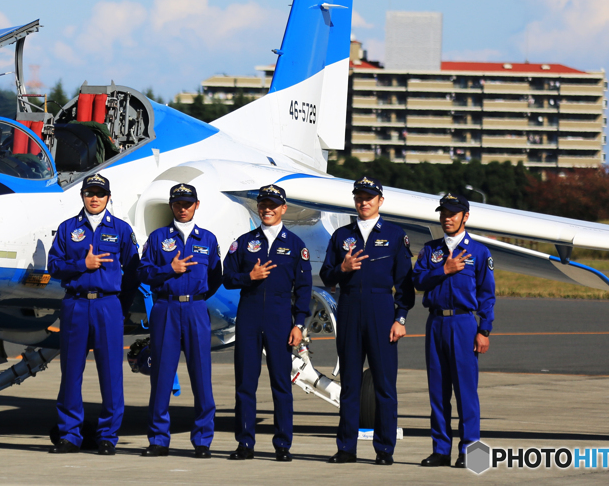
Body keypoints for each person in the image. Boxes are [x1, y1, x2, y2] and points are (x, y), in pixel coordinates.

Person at [320, 176, 414, 466]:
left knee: (384, 383)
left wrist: (400, 317)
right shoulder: (341, 236)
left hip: (381, 309)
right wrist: (342, 268)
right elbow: (326, 275)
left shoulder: (396, 235)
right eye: (359, 196)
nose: (364, 201)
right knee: (349, 382)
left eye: (369, 197)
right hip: (349, 307)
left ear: (380, 201)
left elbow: (405, 284)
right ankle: (346, 447)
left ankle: (384, 449)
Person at [47, 173, 140, 455]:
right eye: (90, 193)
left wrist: (120, 307)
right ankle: (70, 435)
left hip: (107, 305)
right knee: (71, 372)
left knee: (111, 373)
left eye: (100, 193)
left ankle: (107, 436)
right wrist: (81, 264)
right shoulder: (67, 229)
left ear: (108, 197)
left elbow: (133, 272)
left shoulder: (122, 230)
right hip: (75, 304)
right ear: (82, 196)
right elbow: (54, 266)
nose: (95, 198)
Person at [222, 184, 312, 462]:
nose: (267, 209)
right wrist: (250, 276)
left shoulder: (296, 245)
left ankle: (283, 444)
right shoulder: (243, 242)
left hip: (279, 319)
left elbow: (304, 288)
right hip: (248, 317)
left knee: (281, 384)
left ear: (283, 208)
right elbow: (226, 277)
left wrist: (298, 324)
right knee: (245, 384)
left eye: (273, 204)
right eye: (263, 204)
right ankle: (245, 443)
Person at [138, 183, 223, 459]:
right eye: (177, 203)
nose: (182, 208)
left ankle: (202, 440)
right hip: (166, 308)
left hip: (196, 309)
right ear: (171, 206)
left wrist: (195, 297)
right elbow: (144, 272)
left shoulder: (207, 239)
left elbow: (214, 277)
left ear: (196, 205)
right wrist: (169, 269)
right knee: (162, 376)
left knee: (201, 377)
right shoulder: (157, 237)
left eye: (187, 203)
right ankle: (159, 439)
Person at [413, 193, 495, 469]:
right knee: (438, 391)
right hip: (435, 322)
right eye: (443, 213)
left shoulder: (479, 252)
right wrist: (443, 270)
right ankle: (440, 449)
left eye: (452, 213)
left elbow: (487, 294)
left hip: (463, 323)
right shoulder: (430, 249)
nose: (447, 218)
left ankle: (470, 450)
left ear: (465, 216)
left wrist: (484, 329)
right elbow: (419, 281)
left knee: (465, 391)